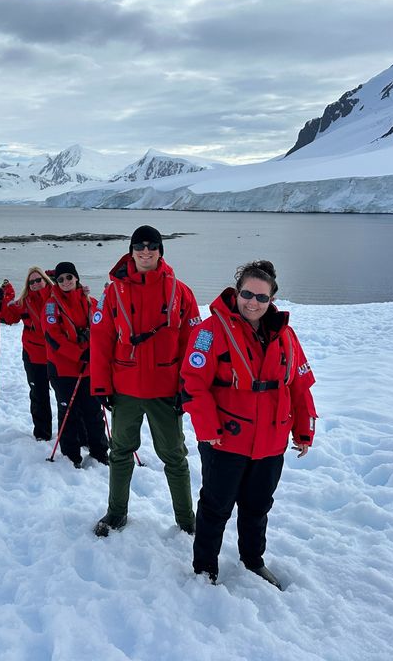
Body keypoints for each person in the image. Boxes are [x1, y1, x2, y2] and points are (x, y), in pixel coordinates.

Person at [180, 260, 317, 588]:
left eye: (261, 297)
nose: (253, 302)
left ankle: (253, 560)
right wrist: (208, 429)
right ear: (236, 291)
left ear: (272, 299)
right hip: (226, 441)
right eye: (247, 294)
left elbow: (299, 382)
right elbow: (192, 383)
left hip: (270, 443)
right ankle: (204, 569)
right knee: (216, 508)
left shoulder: (285, 335)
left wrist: (304, 429)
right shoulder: (209, 333)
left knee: (257, 508)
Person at [91, 225, 201, 537]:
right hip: (125, 389)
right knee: (121, 452)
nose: (145, 250)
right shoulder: (113, 292)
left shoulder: (181, 291)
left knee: (175, 457)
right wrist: (101, 386)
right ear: (131, 250)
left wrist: (187, 386)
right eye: (139, 245)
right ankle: (116, 513)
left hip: (166, 390)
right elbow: (101, 339)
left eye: (152, 245)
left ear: (160, 250)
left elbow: (192, 342)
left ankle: (186, 520)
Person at [45, 261, 108, 468]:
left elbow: (104, 327)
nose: (65, 282)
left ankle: (100, 451)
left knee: (94, 412)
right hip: (63, 370)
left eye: (69, 277)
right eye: (61, 279)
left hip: (89, 368)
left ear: (76, 278)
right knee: (69, 413)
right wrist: (81, 354)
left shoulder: (90, 301)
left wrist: (95, 352)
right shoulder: (51, 306)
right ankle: (71, 454)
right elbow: (54, 338)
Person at [0, 267, 55, 441]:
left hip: (58, 354)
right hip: (33, 354)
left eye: (38, 280)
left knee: (66, 396)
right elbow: (7, 317)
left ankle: (78, 435)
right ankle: (42, 434)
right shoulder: (24, 301)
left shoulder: (56, 296)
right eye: (31, 282)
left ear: (45, 280)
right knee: (38, 395)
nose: (35, 284)